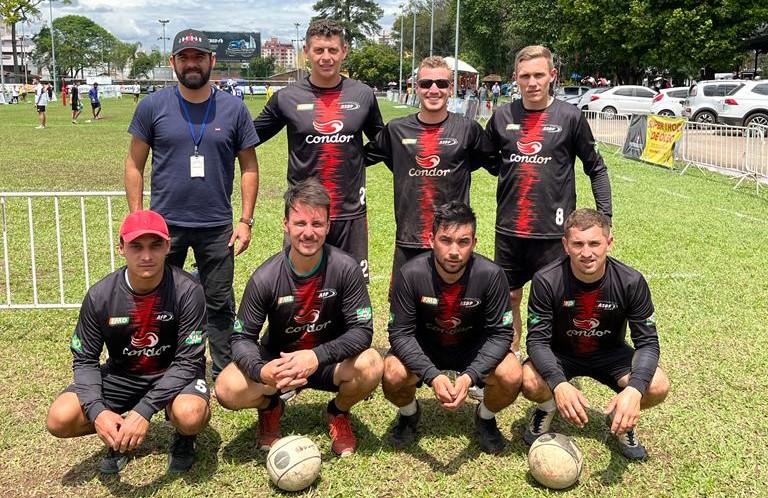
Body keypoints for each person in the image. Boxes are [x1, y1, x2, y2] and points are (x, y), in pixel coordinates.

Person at [124, 28, 260, 381]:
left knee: (219, 302)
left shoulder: (234, 108)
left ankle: (224, 370)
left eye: (199, 56)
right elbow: (134, 164)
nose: (192, 64)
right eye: (184, 57)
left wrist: (245, 220)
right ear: (173, 63)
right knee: (159, 299)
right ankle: (162, 366)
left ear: (212, 61)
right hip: (163, 226)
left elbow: (249, 167)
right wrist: (139, 216)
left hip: (217, 225)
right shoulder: (153, 105)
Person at [215, 179, 382, 457]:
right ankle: (270, 408)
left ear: (328, 227)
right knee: (227, 387)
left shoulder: (346, 268)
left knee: (373, 364)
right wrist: (261, 371)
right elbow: (242, 338)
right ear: (285, 225)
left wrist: (315, 356)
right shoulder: (265, 277)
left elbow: (362, 331)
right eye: (300, 223)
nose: (308, 233)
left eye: (317, 224)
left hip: (328, 362)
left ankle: (338, 413)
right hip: (280, 366)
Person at [45, 210, 211, 474]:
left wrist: (144, 410)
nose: (146, 256)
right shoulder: (100, 296)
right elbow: (85, 359)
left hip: (173, 374)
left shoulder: (188, 290)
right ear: (121, 247)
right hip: (124, 375)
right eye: (136, 246)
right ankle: (118, 433)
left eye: (155, 245)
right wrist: (98, 412)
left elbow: (188, 361)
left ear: (168, 246)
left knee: (190, 415)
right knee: (60, 418)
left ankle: (183, 436)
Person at [486, 45, 612, 356]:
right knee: (510, 297)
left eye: (539, 75)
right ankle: (510, 357)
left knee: (558, 299)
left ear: (552, 76)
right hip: (510, 230)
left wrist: (604, 218)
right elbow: (488, 160)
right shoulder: (502, 116)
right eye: (525, 76)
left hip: (554, 233)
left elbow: (595, 168)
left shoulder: (570, 116)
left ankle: (555, 362)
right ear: (515, 78)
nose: (532, 82)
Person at [521, 209, 669, 460]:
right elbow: (537, 340)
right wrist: (558, 383)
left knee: (656, 386)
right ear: (565, 245)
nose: (586, 253)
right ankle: (546, 408)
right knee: (529, 380)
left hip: (610, 353)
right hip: (562, 354)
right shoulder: (546, 280)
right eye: (578, 244)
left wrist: (634, 390)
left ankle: (621, 420)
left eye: (594, 243)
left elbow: (648, 343)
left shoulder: (631, 281)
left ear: (609, 243)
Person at [252, 18, 384, 282]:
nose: (326, 57)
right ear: (306, 53)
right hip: (304, 213)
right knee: (299, 287)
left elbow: (383, 143)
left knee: (352, 289)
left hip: (349, 212)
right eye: (319, 50)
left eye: (333, 50)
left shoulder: (362, 94)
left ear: (344, 51)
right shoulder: (286, 97)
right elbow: (249, 136)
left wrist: (357, 159)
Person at [383, 202, 521, 454]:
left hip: (472, 348)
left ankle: (486, 417)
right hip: (427, 347)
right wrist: (431, 375)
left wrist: (471, 375)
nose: (454, 251)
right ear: (431, 239)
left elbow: (501, 334)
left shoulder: (491, 275)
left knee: (512, 374)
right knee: (392, 373)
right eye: (446, 240)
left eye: (463, 241)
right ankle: (409, 414)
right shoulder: (410, 274)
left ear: (474, 242)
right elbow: (400, 333)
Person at [365, 56, 496, 295]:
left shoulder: (468, 130)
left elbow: (496, 164)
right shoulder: (396, 130)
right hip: (409, 238)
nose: (433, 89)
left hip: (453, 240)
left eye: (441, 84)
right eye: (426, 84)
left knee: (453, 311)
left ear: (451, 88)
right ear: (417, 87)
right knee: (403, 312)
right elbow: (359, 158)